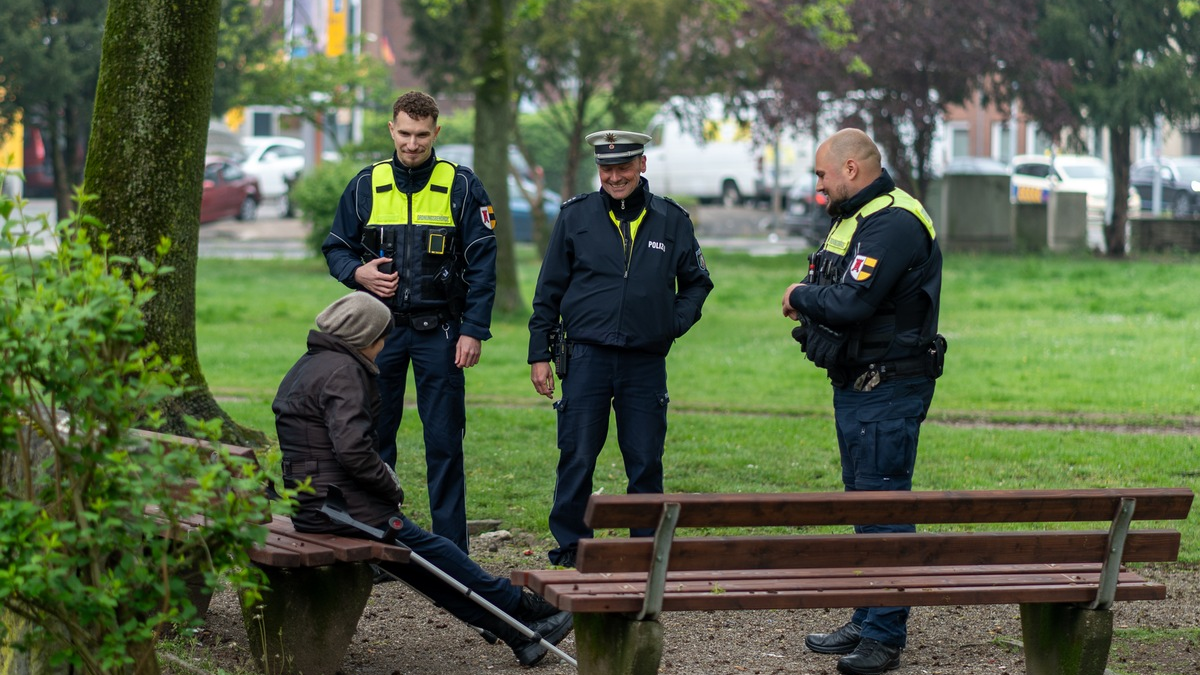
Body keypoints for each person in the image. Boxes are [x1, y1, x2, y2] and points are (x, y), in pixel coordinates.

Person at [273, 292, 572, 667]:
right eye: (383, 337)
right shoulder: (343, 372)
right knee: (437, 555)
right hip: (340, 508)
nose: (385, 346)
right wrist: (390, 485)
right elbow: (354, 451)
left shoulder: (310, 364)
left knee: (423, 566)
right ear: (366, 337)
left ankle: (519, 634)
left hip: (319, 504)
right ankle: (521, 604)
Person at [781, 128, 945, 675]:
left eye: (822, 175)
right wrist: (813, 297)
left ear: (851, 169)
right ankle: (868, 614)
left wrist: (797, 297)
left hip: (889, 385)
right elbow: (832, 285)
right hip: (856, 384)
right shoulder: (854, 219)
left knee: (884, 504)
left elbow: (851, 302)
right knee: (863, 504)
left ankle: (884, 635)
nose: (819, 187)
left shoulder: (895, 222)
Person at [527, 129, 714, 567]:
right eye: (607, 168)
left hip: (644, 362)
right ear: (599, 170)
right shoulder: (575, 217)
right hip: (585, 357)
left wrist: (671, 324)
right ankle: (573, 546)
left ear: (642, 165)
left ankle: (644, 549)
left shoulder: (672, 220)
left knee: (645, 460)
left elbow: (697, 283)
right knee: (576, 455)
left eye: (624, 167)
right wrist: (539, 353)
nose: (615, 177)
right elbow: (548, 290)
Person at [323, 90, 497, 553]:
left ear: (437, 132)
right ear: (391, 130)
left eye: (422, 135)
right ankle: (379, 544)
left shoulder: (461, 185)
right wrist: (354, 272)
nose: (413, 144)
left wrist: (473, 330)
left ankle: (451, 551)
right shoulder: (366, 184)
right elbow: (336, 246)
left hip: (441, 333)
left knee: (444, 442)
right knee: (374, 441)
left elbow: (483, 263)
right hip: (377, 337)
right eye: (405, 133)